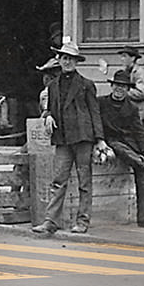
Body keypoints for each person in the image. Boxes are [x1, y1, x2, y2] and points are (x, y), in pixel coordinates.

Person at [32, 39, 104, 235]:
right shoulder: (53, 86)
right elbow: (49, 108)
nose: (67, 62)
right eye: (64, 58)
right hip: (62, 138)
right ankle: (50, 221)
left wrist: (99, 139)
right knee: (58, 180)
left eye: (71, 59)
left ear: (76, 62)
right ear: (59, 60)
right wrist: (46, 116)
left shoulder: (86, 85)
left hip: (83, 138)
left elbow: (94, 112)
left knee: (84, 182)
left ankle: (82, 221)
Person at [100, 68, 144, 228]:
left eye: (123, 87)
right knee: (119, 148)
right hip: (110, 143)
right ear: (112, 86)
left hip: (130, 146)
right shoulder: (100, 103)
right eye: (116, 85)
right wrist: (98, 141)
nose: (119, 89)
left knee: (140, 170)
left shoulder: (132, 108)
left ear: (128, 90)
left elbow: (140, 132)